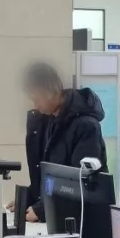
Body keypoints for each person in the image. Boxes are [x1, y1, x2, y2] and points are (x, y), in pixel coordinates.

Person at [20, 62, 106, 223]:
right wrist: (28, 199)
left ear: (50, 90)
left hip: (81, 221)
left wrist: (42, 210)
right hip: (57, 216)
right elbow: (47, 175)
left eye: (36, 99)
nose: (35, 105)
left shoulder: (86, 126)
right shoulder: (45, 121)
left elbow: (80, 180)